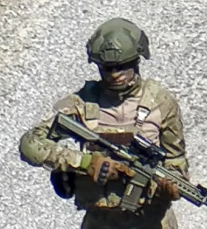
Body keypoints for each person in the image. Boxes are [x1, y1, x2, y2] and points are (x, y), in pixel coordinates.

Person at [16, 19, 192, 228]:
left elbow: (176, 160)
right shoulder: (82, 103)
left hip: (152, 220)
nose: (115, 74)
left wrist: (170, 187)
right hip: (100, 221)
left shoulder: (161, 103)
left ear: (137, 61)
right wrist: (85, 163)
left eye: (123, 66)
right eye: (108, 68)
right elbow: (30, 144)